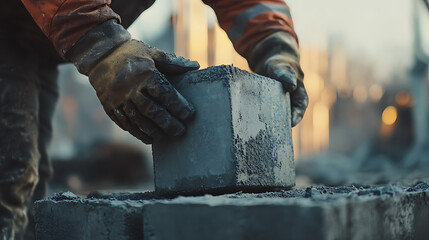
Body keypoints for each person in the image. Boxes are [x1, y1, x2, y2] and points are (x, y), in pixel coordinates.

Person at [0, 0, 308, 239]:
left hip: (37, 33)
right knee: (10, 178)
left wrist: (275, 43)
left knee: (28, 188)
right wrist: (102, 44)